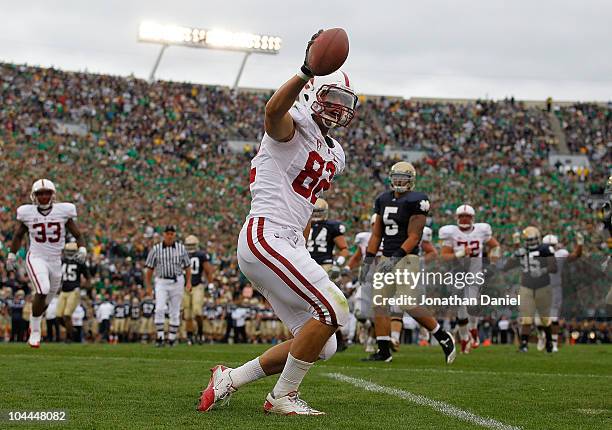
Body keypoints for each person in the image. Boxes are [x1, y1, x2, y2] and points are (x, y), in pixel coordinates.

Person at [198, 30, 357, 415]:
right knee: (336, 308)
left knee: (324, 341)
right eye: (330, 97)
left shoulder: (335, 152)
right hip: (265, 235)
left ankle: (230, 379)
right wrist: (306, 70)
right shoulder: (292, 124)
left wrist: (301, 245)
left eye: (343, 101)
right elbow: (272, 112)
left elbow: (305, 204)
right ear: (311, 95)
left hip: (287, 241)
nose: (337, 107)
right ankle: (282, 396)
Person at [362, 161, 456, 363]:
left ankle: (442, 336)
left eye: (403, 179)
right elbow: (377, 234)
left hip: (406, 258)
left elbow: (415, 236)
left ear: (411, 181)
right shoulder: (383, 199)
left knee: (407, 303)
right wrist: (368, 260)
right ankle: (384, 350)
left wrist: (395, 258)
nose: (399, 181)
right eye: (396, 178)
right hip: (386, 257)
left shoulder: (417, 200)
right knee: (379, 304)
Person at [6, 179, 87, 348]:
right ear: (34, 195)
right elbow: (18, 236)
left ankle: (34, 323)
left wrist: (83, 249)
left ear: (53, 194)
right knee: (42, 289)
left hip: (55, 261)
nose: (43, 196)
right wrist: (12, 255)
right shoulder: (27, 212)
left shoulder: (63, 211)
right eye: (40, 193)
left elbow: (78, 234)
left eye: (47, 193)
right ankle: (35, 332)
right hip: (36, 257)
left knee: (46, 301)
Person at [439, 204, 501, 353]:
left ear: (472, 218)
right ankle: (465, 338)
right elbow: (444, 256)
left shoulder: (481, 231)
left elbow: (496, 246)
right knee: (460, 307)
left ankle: (473, 330)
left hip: (474, 272)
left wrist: (492, 263)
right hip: (457, 273)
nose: (464, 219)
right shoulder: (450, 233)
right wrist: (458, 254)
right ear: (457, 217)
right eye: (461, 216)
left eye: (467, 216)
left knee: (471, 305)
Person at [144, 225, 191, 347]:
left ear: (174, 235)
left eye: (172, 233)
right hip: (161, 281)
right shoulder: (156, 249)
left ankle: (171, 338)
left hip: (177, 280)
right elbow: (149, 269)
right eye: (167, 233)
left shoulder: (181, 249)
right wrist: (148, 286)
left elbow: (187, 266)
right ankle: (160, 337)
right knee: (159, 308)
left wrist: (189, 282)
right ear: (164, 234)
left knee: (175, 310)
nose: (169, 236)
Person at [183, 235, 215, 345]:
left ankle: (200, 333)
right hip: (184, 286)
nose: (190, 247)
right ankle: (190, 336)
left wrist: (210, 283)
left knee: (197, 311)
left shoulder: (201, 255)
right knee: (187, 314)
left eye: (192, 245)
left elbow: (208, 270)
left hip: (197, 286)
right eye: (189, 245)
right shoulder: (182, 254)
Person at [57, 242, 90, 342]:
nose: (70, 254)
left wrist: (83, 287)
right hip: (63, 291)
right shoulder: (62, 261)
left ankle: (69, 337)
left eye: (72, 252)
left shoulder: (80, 263)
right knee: (58, 316)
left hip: (74, 291)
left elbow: (88, 277)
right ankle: (72, 330)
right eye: (68, 251)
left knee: (67, 315)